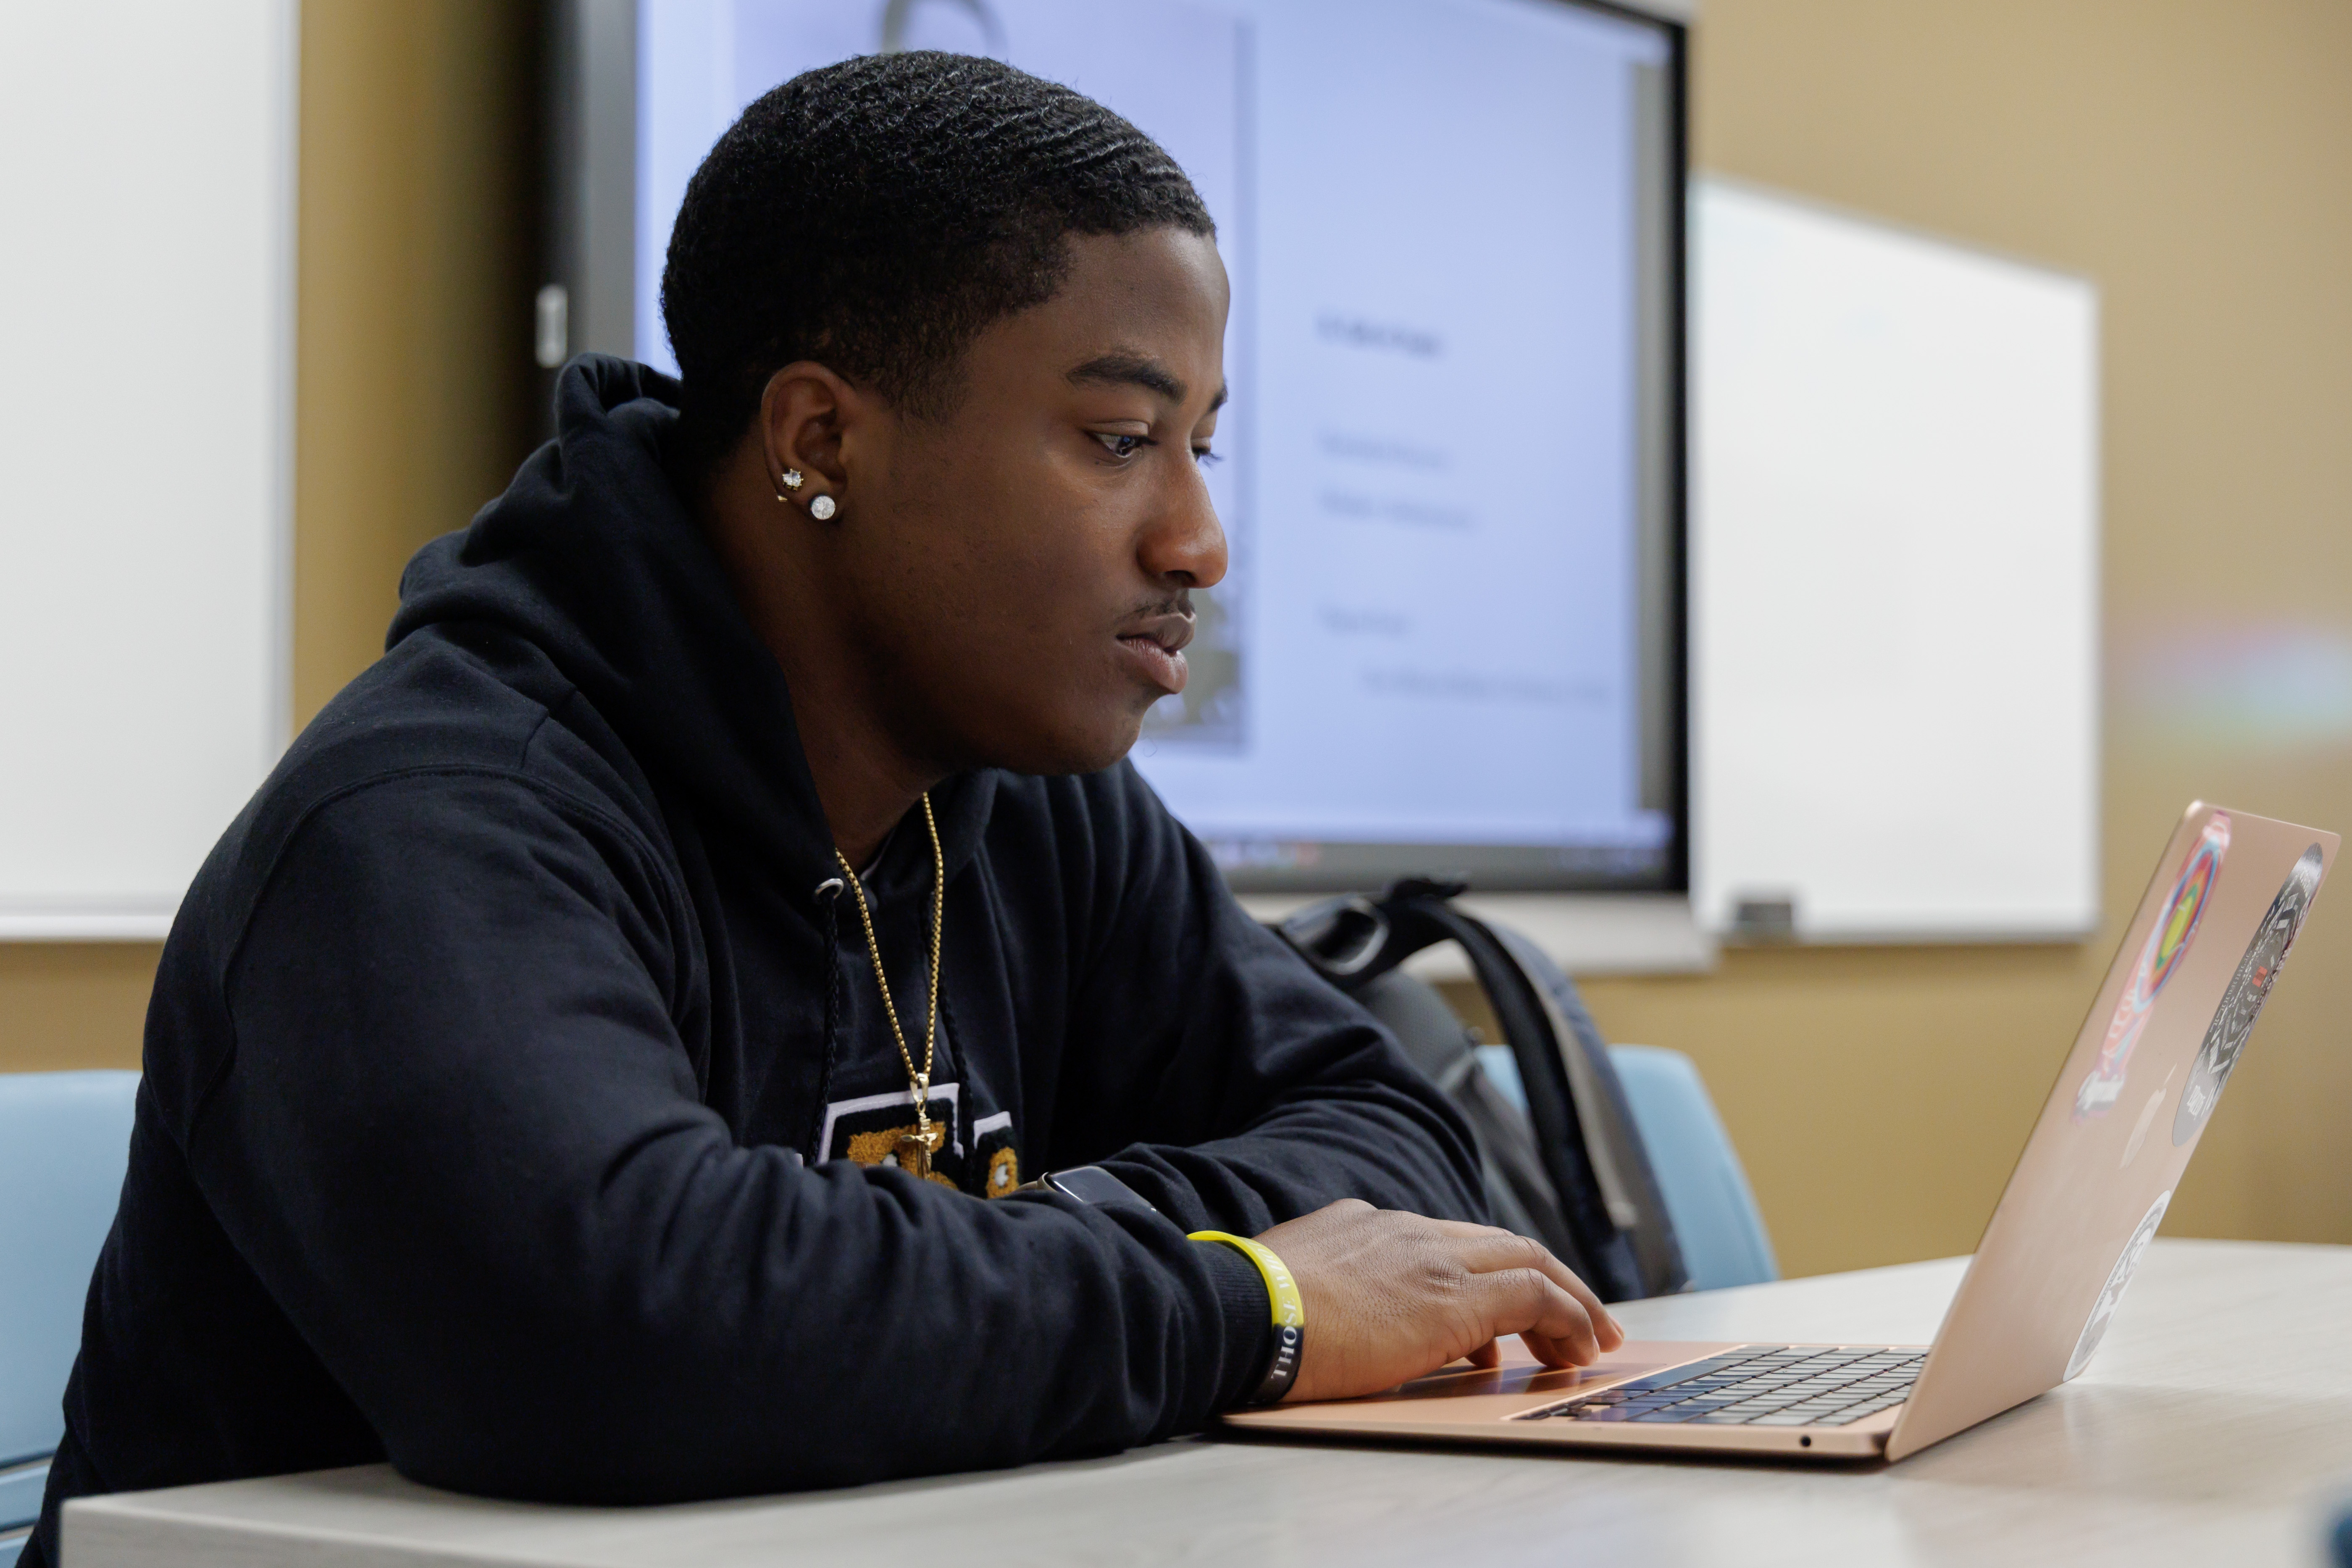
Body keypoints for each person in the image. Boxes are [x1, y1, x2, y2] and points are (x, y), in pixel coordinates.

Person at [27, 51, 1618, 1563]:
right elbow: (620, 1338)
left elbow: (1402, 1147)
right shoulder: (426, 825)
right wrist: (1240, 1303)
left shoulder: (1028, 797)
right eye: (1123, 441)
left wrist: (1033, 1252)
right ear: (820, 439)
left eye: (1202, 447)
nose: (1200, 540)